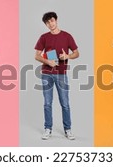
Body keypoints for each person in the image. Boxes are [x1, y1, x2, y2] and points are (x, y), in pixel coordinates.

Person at [34, 12, 79, 140]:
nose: (50, 24)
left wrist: (67, 56)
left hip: (61, 74)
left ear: (56, 20)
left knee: (65, 103)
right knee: (47, 103)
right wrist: (48, 61)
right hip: (46, 74)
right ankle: (48, 129)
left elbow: (76, 53)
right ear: (46, 24)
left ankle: (68, 129)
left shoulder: (67, 36)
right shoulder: (43, 37)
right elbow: (36, 55)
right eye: (47, 22)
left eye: (52, 21)